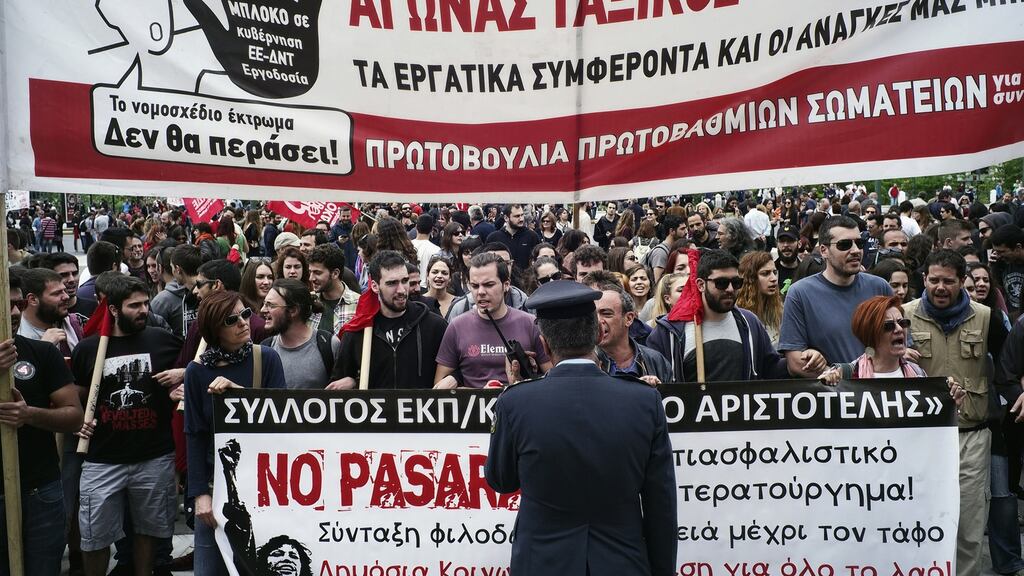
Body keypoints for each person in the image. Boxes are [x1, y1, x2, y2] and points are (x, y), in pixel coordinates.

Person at [485, 279, 676, 576]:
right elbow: (660, 505)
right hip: (622, 564)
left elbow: (501, 480)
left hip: (543, 565)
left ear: (545, 344)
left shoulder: (515, 403)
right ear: (598, 333)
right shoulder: (644, 401)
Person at [903, 249, 1007, 576]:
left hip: (971, 438)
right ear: (924, 279)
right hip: (918, 439)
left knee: (969, 524)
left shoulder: (987, 317)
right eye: (934, 280)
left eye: (949, 281)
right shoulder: (901, 316)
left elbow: (1010, 366)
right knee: (918, 520)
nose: (940, 287)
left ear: (963, 281)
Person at [72, 276, 183, 576]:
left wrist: (183, 375)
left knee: (148, 530)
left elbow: (197, 366)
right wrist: (78, 424)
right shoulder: (88, 349)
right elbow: (78, 399)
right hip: (102, 459)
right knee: (94, 536)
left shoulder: (163, 340)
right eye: (134, 305)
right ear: (114, 310)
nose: (143, 310)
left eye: (145, 303)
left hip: (154, 456)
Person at [184, 291, 287, 576]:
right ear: (214, 329)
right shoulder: (196, 371)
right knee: (208, 569)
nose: (243, 323)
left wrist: (239, 396)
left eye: (245, 314)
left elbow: (284, 418)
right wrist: (199, 494)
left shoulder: (266, 358)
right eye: (232, 319)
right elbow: (194, 434)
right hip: (217, 487)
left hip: (262, 483)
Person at [0, 271, 83, 576]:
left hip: (41, 491)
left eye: (17, 303)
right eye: (4, 303)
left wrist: (29, 414)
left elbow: (73, 415)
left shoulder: (43, 352)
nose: (13, 311)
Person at [647, 250, 788, 382]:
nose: (730, 289)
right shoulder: (669, 332)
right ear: (701, 285)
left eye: (736, 283)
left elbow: (771, 368)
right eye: (721, 283)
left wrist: (796, 363)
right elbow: (653, 376)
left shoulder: (749, 323)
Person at [779, 216, 892, 377]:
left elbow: (901, 343)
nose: (855, 250)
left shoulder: (880, 287)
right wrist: (834, 375)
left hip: (879, 394)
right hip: (832, 396)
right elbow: (795, 362)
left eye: (859, 243)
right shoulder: (800, 293)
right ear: (824, 250)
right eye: (844, 245)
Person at [327, 251, 448, 390]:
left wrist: (453, 378)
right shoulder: (357, 331)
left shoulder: (434, 326)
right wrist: (354, 382)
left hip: (420, 410)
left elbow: (459, 368)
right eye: (392, 283)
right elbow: (338, 384)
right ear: (375, 286)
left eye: (405, 281)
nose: (402, 290)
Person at [435, 252, 552, 388]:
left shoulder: (530, 324)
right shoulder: (457, 326)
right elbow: (439, 390)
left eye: (489, 285)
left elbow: (553, 379)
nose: (481, 292)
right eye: (475, 286)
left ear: (506, 284)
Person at [584, 271, 670, 384]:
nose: (598, 321)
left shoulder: (655, 361)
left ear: (629, 319)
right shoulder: (584, 363)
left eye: (606, 313)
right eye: (593, 315)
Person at [259, 279, 340, 390]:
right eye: (264, 304)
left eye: (271, 305)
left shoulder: (328, 345)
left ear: (293, 310)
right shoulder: (265, 349)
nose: (263, 310)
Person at [151, 244, 202, 338]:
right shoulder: (212, 288)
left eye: (172, 267)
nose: (173, 272)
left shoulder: (160, 301)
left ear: (178, 269)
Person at [307, 245, 359, 334]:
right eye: (310, 272)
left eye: (317, 273)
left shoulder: (358, 304)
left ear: (335, 273)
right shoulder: (307, 301)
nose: (311, 278)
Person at [736, 251, 783, 347]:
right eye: (765, 273)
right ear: (751, 279)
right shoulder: (739, 316)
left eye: (774, 272)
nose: (773, 278)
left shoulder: (780, 310)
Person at [486, 204, 541, 271]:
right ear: (506, 218)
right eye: (517, 216)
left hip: (526, 279)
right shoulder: (493, 238)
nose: (521, 219)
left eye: (522, 215)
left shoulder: (532, 236)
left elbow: (538, 260)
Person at [989, 224, 1024, 322]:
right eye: (996, 252)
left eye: (1002, 252)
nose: (998, 256)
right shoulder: (1002, 264)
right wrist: (993, 268)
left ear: (1018, 247)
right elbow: (997, 292)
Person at [648, 214, 685, 283]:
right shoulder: (660, 252)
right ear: (671, 231)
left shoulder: (673, 248)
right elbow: (658, 282)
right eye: (682, 229)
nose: (686, 232)